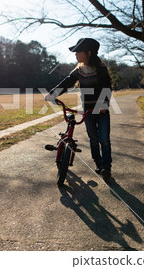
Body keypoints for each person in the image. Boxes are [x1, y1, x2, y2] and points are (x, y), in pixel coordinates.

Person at [45, 38, 113, 182]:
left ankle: (106, 167)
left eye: (78, 52)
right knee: (93, 139)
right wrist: (53, 94)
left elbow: (107, 88)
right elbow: (67, 82)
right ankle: (98, 163)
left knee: (104, 140)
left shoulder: (101, 69)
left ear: (88, 53)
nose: (75, 55)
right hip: (87, 110)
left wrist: (102, 105)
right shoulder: (79, 71)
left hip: (101, 111)